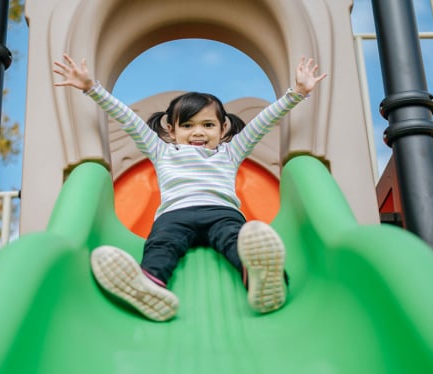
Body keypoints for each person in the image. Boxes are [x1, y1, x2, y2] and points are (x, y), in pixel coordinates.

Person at [53, 53, 326, 321]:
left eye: (208, 125)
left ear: (223, 129)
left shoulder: (230, 152)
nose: (198, 132)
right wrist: (92, 88)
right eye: (188, 125)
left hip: (222, 213)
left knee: (238, 240)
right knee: (161, 245)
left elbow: (263, 123)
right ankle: (150, 285)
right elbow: (127, 119)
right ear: (171, 130)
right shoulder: (161, 151)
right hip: (174, 215)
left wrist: (297, 93)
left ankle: (263, 281)